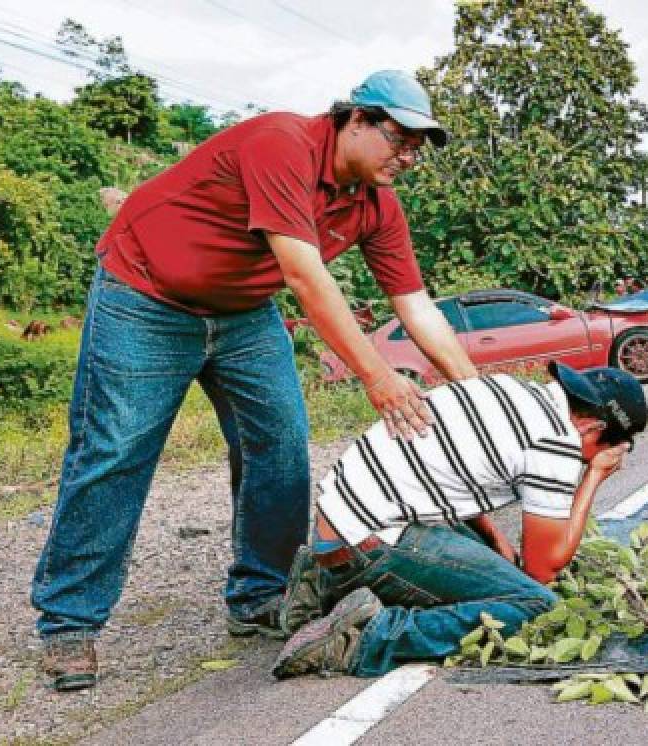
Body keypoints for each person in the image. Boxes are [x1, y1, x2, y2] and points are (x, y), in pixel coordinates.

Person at [32, 70, 479, 692]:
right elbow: (304, 275)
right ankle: (69, 621)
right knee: (117, 450)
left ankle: (260, 595)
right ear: (355, 119)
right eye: (398, 140)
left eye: (415, 149)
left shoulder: (376, 205)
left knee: (281, 443)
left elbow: (416, 305)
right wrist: (377, 377)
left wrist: (477, 389)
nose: (406, 157)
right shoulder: (282, 144)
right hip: (145, 295)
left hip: (242, 313)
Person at [272, 364, 647, 679]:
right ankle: (363, 639)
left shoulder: (510, 389)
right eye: (605, 450)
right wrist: (594, 477)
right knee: (535, 604)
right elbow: (543, 569)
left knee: (498, 561)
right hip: (368, 541)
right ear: (593, 430)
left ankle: (319, 582)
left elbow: (448, 471)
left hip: (338, 519)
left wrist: (491, 533)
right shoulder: (558, 443)